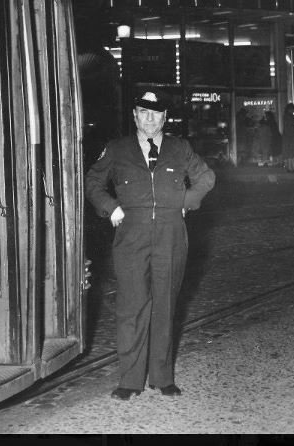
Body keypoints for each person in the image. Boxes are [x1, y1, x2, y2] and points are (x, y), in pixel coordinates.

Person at [85, 89, 216, 400]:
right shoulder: (117, 149)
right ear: (134, 115)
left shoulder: (179, 148)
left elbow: (207, 177)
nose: (149, 118)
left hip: (171, 236)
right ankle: (130, 381)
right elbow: (92, 181)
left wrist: (186, 201)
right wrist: (111, 207)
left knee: (165, 305)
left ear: (164, 118)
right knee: (131, 308)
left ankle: (162, 377)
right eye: (144, 112)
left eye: (156, 113)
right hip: (131, 236)